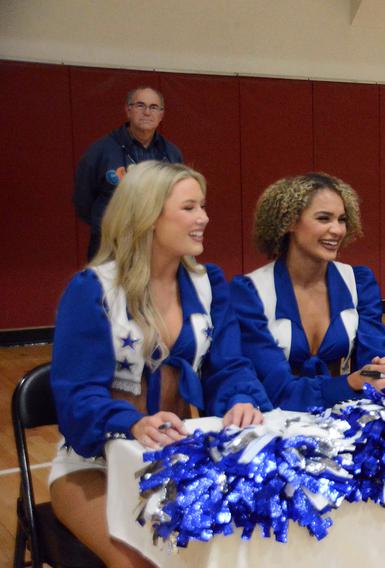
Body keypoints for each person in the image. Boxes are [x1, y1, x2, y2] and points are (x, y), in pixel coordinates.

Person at [50, 161, 272, 567]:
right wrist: (130, 422)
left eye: (202, 206)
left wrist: (240, 398)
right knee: (143, 563)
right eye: (189, 208)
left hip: (178, 459)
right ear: (148, 215)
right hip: (94, 466)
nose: (203, 218)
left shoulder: (209, 283)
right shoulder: (93, 290)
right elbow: (77, 396)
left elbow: (229, 366)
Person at [231, 173, 385, 411]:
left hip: (343, 422)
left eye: (342, 220)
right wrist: (352, 381)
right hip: (273, 426)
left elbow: (371, 361)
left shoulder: (359, 282)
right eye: (324, 218)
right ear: (289, 222)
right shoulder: (250, 292)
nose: (337, 230)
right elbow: (276, 388)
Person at [73, 86, 183, 260]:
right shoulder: (100, 151)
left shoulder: (171, 154)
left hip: (155, 243)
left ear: (161, 115)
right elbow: (83, 200)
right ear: (128, 110)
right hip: (110, 244)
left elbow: (178, 198)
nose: (147, 112)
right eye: (140, 105)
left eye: (154, 107)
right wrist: (109, 225)